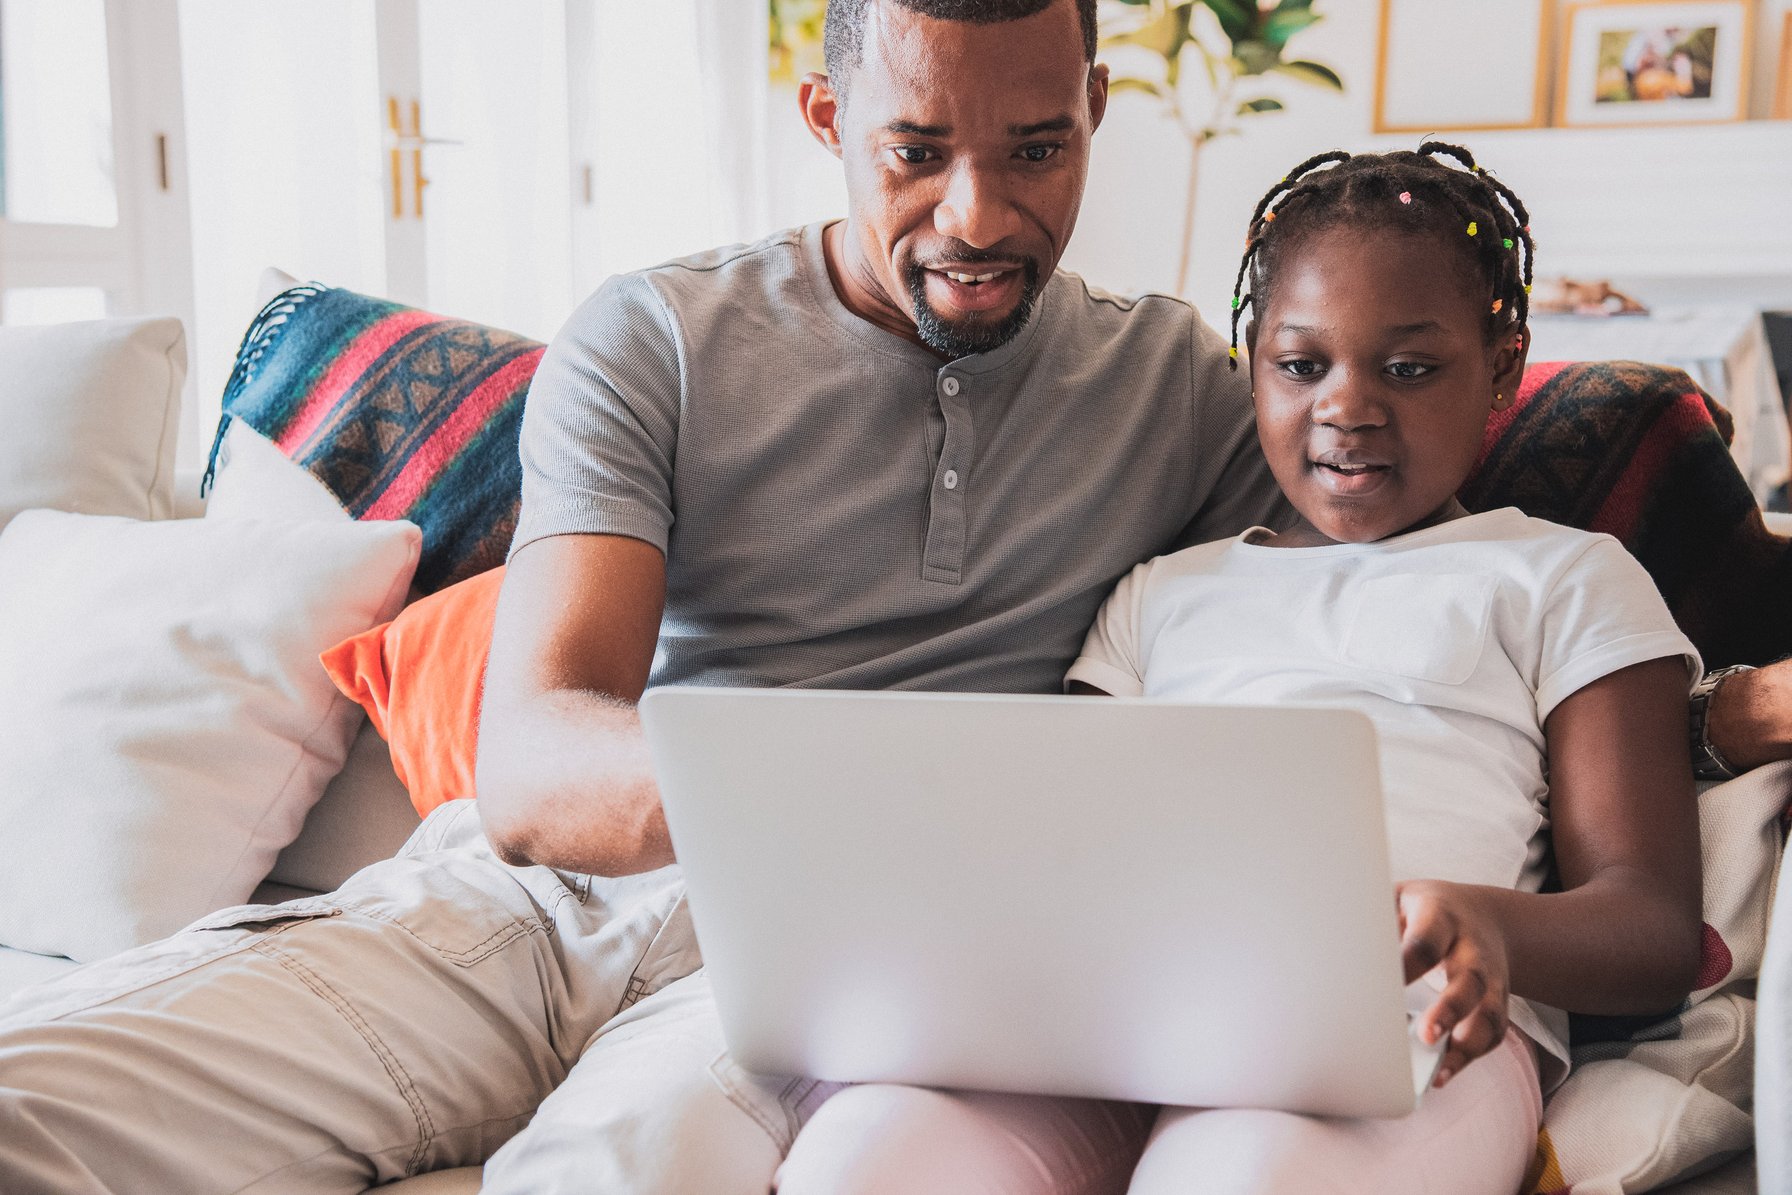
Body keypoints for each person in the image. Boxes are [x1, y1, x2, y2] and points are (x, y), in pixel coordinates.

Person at [0, 2, 1285, 1193]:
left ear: (1096, 111)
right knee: (36, 1098)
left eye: (1036, 150)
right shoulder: (658, 336)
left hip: (834, 966)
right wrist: (877, 795)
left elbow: (1400, 544)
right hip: (531, 905)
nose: (979, 215)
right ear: (827, 123)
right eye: (916, 151)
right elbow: (537, 762)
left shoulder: (1176, 387)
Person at [772, 141, 1710, 1195]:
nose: (1347, 407)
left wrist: (1487, 921)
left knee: (1238, 1177)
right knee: (865, 1156)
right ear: (1250, 359)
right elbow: (1058, 844)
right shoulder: (1159, 594)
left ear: (1501, 363)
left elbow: (1652, 925)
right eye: (1300, 365)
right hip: (1122, 1021)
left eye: (1408, 368)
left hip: (1410, 1032)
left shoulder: (1563, 577)